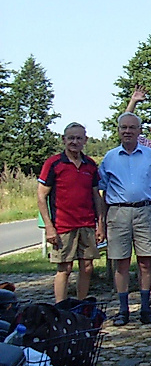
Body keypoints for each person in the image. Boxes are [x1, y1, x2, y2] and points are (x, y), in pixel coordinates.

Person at [98, 112, 151, 326]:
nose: (127, 131)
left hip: (145, 211)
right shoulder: (109, 157)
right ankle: (123, 309)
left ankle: (145, 308)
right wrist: (101, 222)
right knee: (121, 263)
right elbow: (101, 191)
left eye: (131, 127)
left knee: (146, 261)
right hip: (118, 213)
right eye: (123, 127)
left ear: (139, 131)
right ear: (119, 130)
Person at [37, 122, 105, 303]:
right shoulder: (54, 163)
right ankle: (60, 307)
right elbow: (41, 196)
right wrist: (49, 227)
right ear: (63, 139)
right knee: (64, 268)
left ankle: (80, 306)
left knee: (87, 267)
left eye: (79, 138)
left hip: (87, 224)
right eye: (71, 138)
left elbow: (96, 197)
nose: (75, 142)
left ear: (85, 140)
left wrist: (100, 224)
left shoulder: (90, 164)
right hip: (63, 225)